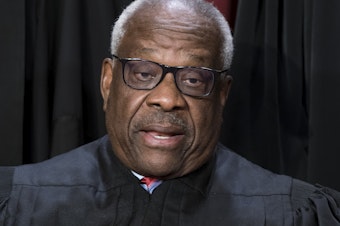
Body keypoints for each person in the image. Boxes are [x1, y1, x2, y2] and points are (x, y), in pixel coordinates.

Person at [0, 0, 339, 225]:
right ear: (108, 81)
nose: (166, 98)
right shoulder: (23, 204)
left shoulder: (288, 213)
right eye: (143, 74)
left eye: (193, 79)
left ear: (221, 95)